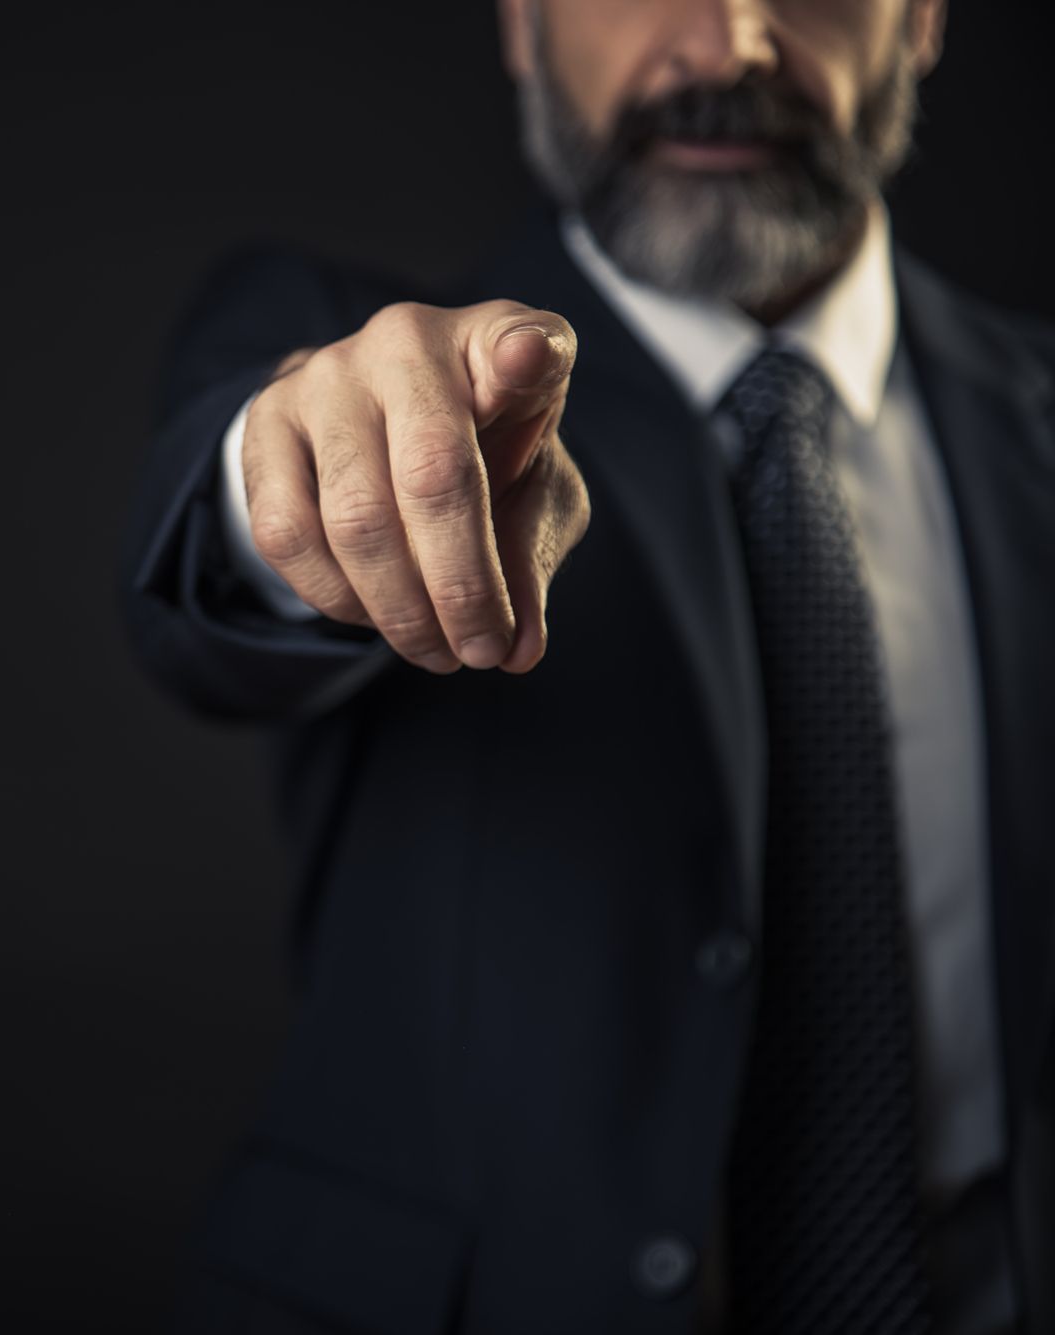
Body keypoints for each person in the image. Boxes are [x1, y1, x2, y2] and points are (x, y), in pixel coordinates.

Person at [116, 0, 1053, 1330]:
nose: (729, 44)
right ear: (521, 23)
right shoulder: (341, 340)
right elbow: (217, 570)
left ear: (923, 21)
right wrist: (314, 478)